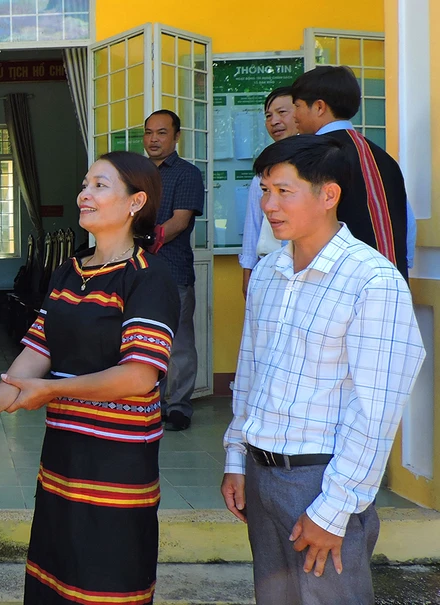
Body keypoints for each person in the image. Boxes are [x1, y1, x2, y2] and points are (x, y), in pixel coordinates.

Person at [0, 152, 180, 605]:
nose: (85, 194)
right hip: (63, 458)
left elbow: (139, 375)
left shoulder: (149, 277)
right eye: (86, 184)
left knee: (107, 581)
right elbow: (34, 355)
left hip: (117, 464)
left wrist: (51, 391)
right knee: (56, 576)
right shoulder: (70, 269)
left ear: (135, 201)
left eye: (100, 186)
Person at [221, 135, 425, 605]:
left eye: (283, 191)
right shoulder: (271, 273)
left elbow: (375, 409)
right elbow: (249, 375)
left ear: (328, 195)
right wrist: (237, 459)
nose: (269, 205)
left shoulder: (371, 280)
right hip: (262, 474)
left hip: (321, 481)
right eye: (264, 191)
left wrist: (333, 509)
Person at [291, 65, 415, 278]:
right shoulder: (385, 159)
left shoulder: (312, 157)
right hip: (392, 281)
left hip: (338, 283)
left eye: (298, 106)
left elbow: (301, 222)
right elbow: (409, 226)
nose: (294, 116)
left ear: (319, 107)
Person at [142, 109, 204, 431]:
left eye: (162, 132)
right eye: (149, 132)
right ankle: (147, 402)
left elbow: (180, 222)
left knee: (177, 341)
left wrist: (147, 240)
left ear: (176, 136)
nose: (154, 139)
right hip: (136, 271)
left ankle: (178, 406)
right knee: (139, 339)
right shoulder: (135, 175)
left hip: (173, 269)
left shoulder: (187, 173)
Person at [239, 86, 298, 297]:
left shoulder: (315, 165)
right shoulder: (264, 167)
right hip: (267, 267)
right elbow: (253, 224)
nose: (274, 121)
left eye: (282, 113)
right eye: (268, 116)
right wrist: (248, 273)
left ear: (299, 113)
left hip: (304, 268)